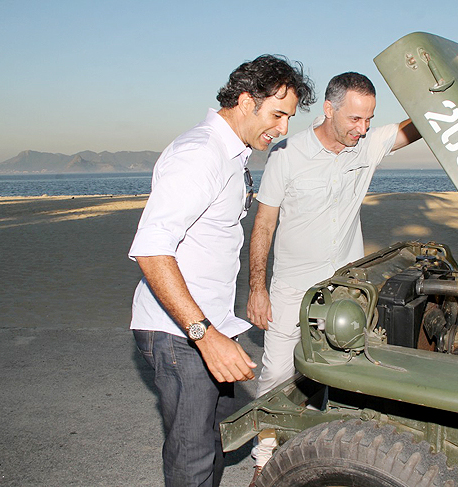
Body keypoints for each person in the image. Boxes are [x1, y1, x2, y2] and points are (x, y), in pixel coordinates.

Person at [245, 47, 458, 484]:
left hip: (348, 293)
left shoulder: (367, 145)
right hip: (291, 290)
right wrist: (257, 287)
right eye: (354, 120)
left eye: (369, 120)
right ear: (328, 109)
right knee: (277, 375)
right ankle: (264, 461)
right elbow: (264, 223)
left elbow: (418, 125)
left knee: (342, 375)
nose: (363, 129)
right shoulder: (287, 155)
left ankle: (327, 454)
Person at [128, 55, 315, 487]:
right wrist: (206, 337)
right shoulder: (200, 154)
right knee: (193, 458)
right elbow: (153, 250)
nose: (284, 128)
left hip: (202, 326)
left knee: (210, 448)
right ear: (247, 100)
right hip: (180, 333)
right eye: (278, 114)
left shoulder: (231, 155)